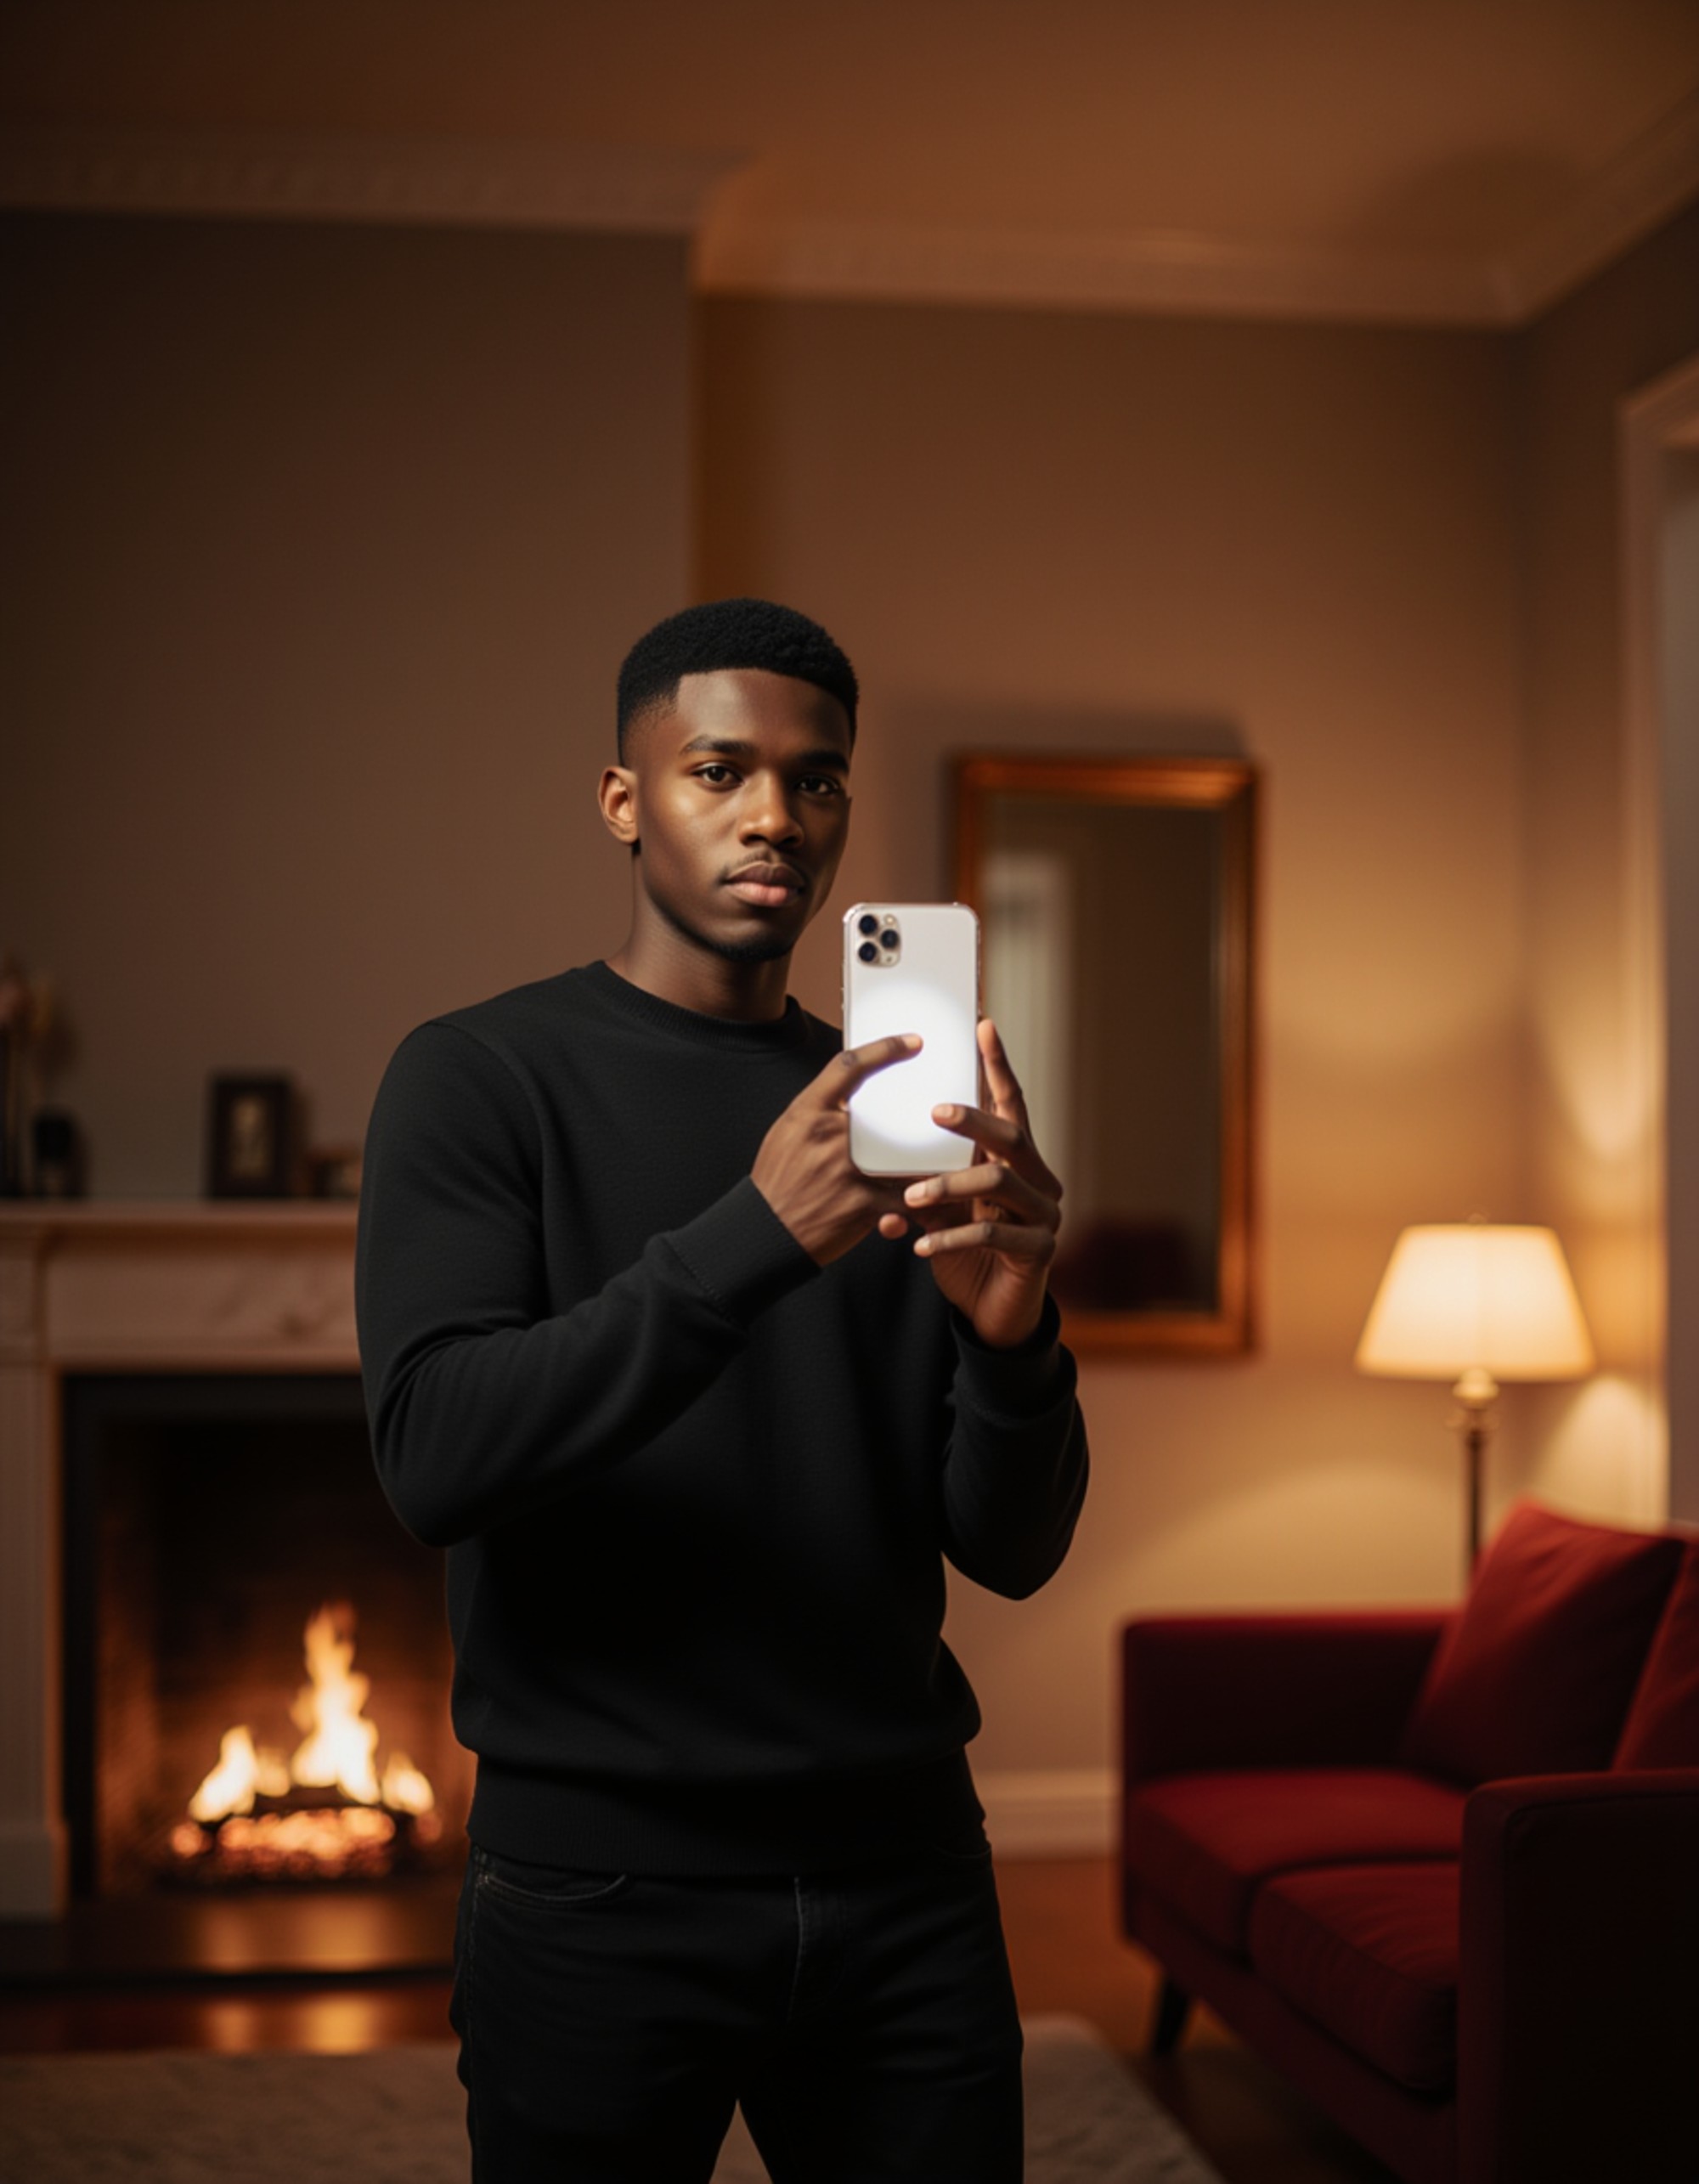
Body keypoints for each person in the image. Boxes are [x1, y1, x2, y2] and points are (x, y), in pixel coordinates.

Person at [355, 597, 1089, 2183]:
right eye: (719, 770)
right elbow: (435, 1457)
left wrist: (1012, 1339)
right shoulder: (479, 1078)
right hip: (600, 1896)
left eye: (815, 780)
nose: (776, 815)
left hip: (908, 1879)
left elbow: (1009, 1550)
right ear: (625, 803)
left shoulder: (890, 1112)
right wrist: (753, 1240)